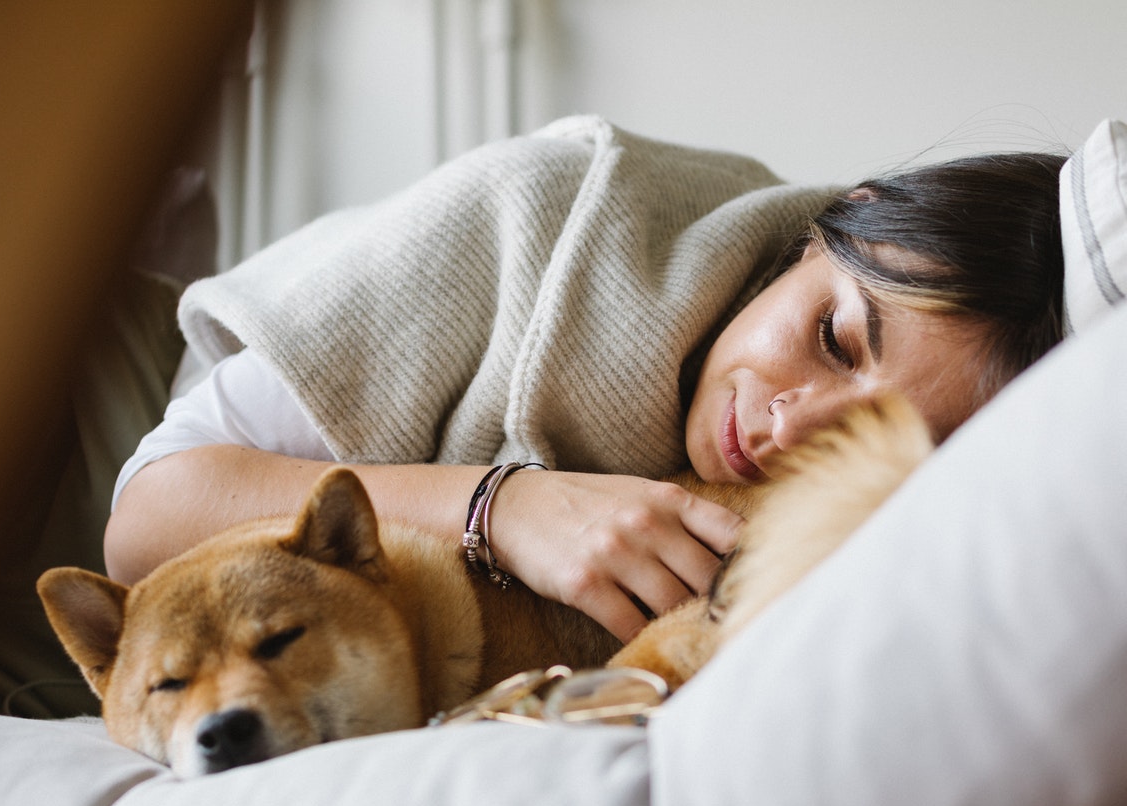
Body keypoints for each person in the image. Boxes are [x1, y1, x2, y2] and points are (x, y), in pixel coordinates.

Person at [105, 117, 1065, 644]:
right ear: (839, 221)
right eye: (834, 338)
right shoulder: (547, 209)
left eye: (869, 438)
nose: (787, 428)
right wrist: (505, 507)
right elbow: (144, 524)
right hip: (111, 425)